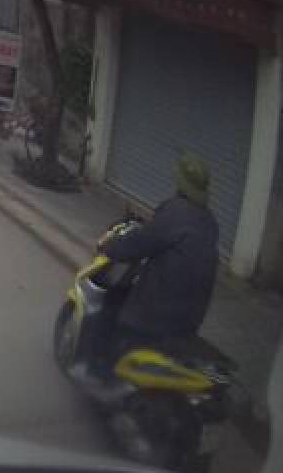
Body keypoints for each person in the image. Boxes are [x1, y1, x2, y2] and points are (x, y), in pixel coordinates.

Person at [92, 154, 220, 381]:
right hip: (192, 316)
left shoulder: (176, 211)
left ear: (180, 182)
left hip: (159, 309)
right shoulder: (210, 222)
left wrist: (110, 246)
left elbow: (140, 243)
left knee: (113, 313)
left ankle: (104, 375)